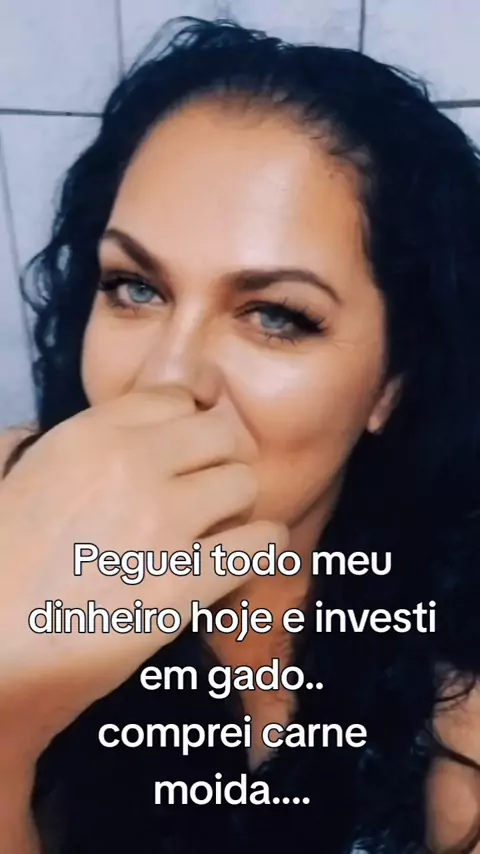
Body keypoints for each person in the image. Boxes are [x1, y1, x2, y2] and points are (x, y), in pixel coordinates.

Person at [0, 16, 480, 854]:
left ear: (392, 383)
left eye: (277, 316)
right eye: (135, 287)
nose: (167, 379)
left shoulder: (456, 715)